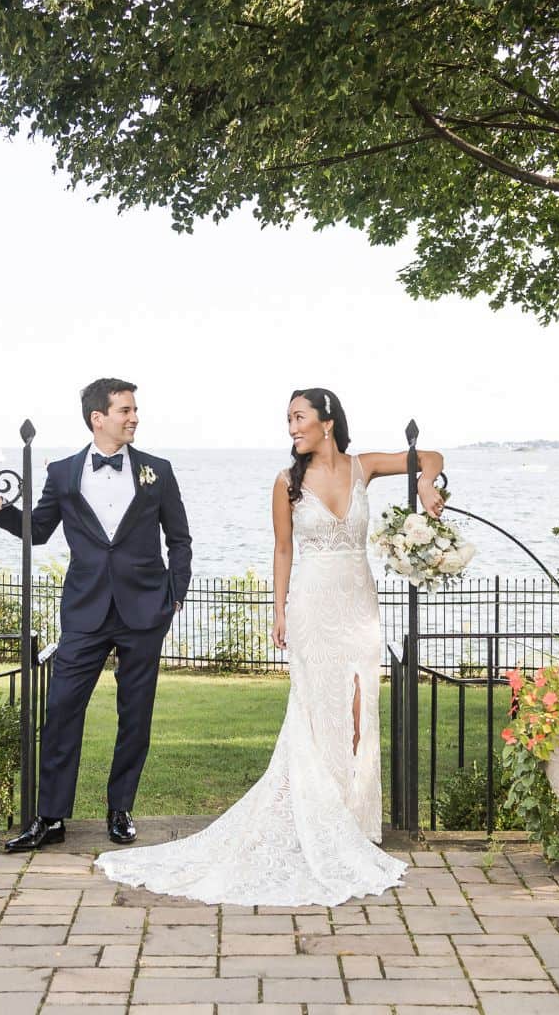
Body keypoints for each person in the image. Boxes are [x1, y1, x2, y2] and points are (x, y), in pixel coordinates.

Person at [95, 387, 444, 905]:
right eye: (289, 419)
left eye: (299, 417)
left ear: (327, 422)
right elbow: (283, 550)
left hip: (358, 604)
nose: (292, 427)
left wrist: (426, 484)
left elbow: (430, 455)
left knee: (358, 711)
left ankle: (350, 820)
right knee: (316, 713)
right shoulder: (287, 483)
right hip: (311, 604)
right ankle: (317, 821)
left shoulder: (364, 466)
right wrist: (279, 610)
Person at [0, 377, 192, 851]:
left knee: (135, 715)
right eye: (125, 410)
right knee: (61, 710)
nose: (134, 417)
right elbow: (38, 530)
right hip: (85, 610)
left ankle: (120, 809)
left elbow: (179, 539)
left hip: (144, 612)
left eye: (134, 410)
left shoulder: (158, 471)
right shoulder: (64, 473)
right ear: (99, 418)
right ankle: (51, 818)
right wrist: (1, 512)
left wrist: (175, 596)